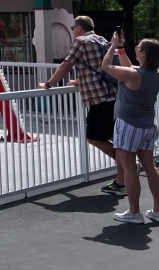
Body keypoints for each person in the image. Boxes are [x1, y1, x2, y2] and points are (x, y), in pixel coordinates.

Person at [40, 15, 125, 195]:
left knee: (94, 137)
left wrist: (48, 84)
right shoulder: (102, 40)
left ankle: (128, 164)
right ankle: (121, 182)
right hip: (114, 96)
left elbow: (66, 65)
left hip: (99, 99)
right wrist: (80, 80)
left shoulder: (80, 41)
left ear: (79, 28)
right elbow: (99, 67)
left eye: (73, 28)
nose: (73, 31)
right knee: (115, 139)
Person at [101, 35, 159, 224]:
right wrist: (121, 50)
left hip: (129, 124)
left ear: (144, 53)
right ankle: (158, 210)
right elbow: (130, 69)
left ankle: (134, 211)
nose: (135, 48)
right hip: (148, 125)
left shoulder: (134, 75)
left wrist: (112, 46)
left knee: (129, 168)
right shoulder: (157, 75)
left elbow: (106, 66)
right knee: (150, 167)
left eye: (138, 47)